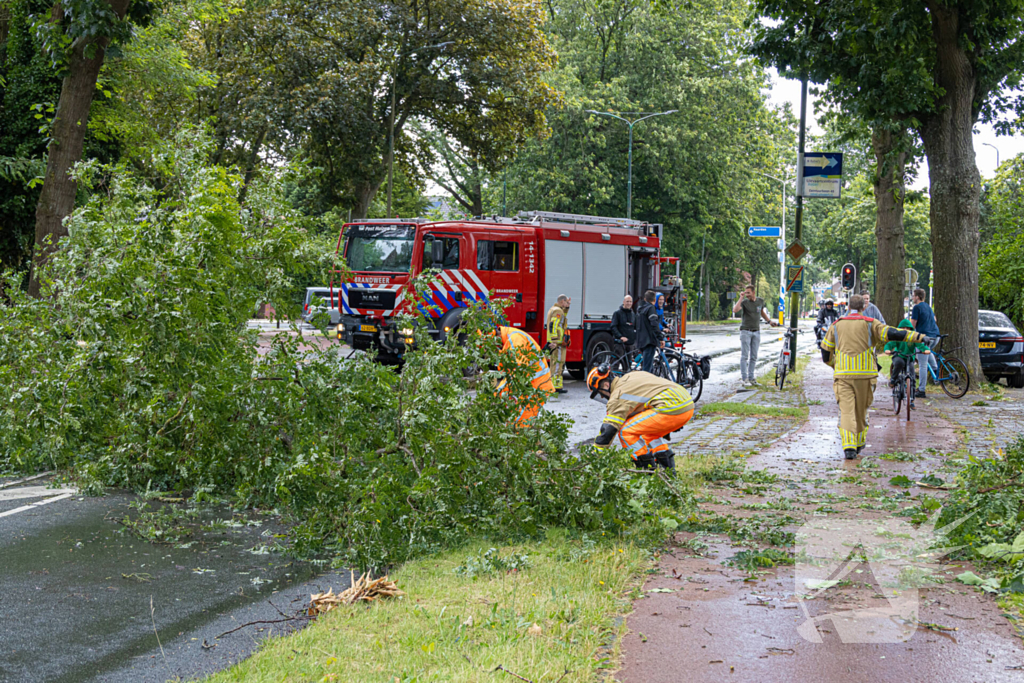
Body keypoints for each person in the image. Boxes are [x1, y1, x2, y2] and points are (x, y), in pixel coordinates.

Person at [821, 295, 931, 459]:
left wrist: (833, 364)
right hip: (866, 375)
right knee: (861, 410)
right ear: (863, 308)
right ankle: (858, 442)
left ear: (849, 306)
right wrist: (919, 337)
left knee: (846, 410)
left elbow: (825, 352)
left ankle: (849, 446)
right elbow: (894, 333)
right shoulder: (871, 323)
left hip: (843, 375)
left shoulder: (836, 325)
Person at [587, 365, 694, 471]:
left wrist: (595, 456)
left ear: (605, 385)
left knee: (625, 432)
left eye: (599, 393)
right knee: (648, 432)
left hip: (670, 407)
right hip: (686, 403)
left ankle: (647, 472)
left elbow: (609, 429)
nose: (601, 397)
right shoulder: (631, 376)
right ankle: (668, 471)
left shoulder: (617, 396)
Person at [494, 325, 556, 426]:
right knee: (518, 422)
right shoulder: (507, 341)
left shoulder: (515, 340)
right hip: (531, 385)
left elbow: (518, 373)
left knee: (520, 424)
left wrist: (499, 393)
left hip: (536, 386)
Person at [732, 285, 777, 385]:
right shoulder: (744, 302)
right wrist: (741, 297)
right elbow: (735, 310)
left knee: (754, 356)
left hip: (756, 331)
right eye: (745, 293)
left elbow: (761, 312)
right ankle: (745, 379)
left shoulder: (760, 301)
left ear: (753, 292)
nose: (746, 294)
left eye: (748, 293)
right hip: (745, 331)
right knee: (744, 356)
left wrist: (769, 321)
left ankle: (751, 378)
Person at [883, 318, 930, 407]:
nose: (905, 330)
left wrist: (926, 350)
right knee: (899, 363)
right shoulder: (897, 337)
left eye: (907, 328)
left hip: (909, 358)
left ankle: (911, 399)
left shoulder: (912, 338)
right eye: (903, 328)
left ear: (910, 329)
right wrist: (888, 350)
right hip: (899, 356)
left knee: (912, 376)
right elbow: (889, 344)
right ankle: (893, 379)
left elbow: (920, 345)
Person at [909, 288, 940, 398]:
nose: (912, 298)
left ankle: (921, 390)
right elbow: (935, 319)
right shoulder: (928, 306)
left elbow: (912, 325)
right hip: (936, 336)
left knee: (922, 364)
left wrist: (908, 335)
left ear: (917, 297)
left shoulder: (917, 307)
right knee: (928, 352)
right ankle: (936, 370)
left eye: (913, 296)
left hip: (925, 338)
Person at [545, 295, 571, 394]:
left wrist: (567, 307)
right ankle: (554, 387)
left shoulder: (555, 309)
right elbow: (554, 326)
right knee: (558, 363)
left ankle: (556, 386)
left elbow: (562, 318)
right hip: (558, 343)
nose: (566, 304)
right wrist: (555, 341)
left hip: (557, 343)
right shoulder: (557, 311)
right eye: (566, 302)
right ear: (562, 301)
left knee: (555, 363)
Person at [635, 290, 664, 374]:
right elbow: (654, 324)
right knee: (647, 369)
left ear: (645, 299)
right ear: (654, 300)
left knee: (647, 366)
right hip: (649, 341)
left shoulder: (640, 309)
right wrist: (660, 338)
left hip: (641, 341)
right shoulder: (651, 308)